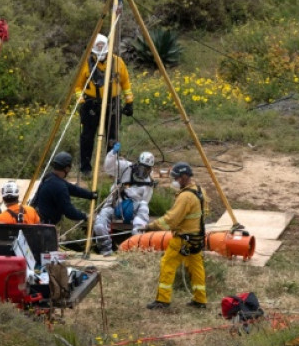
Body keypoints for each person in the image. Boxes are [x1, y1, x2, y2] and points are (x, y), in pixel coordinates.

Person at [145, 162, 208, 310]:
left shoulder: (185, 197)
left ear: (184, 177)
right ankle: (200, 300)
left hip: (183, 239)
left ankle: (163, 300)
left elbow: (171, 220)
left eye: (177, 178)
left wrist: (151, 226)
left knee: (167, 264)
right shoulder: (200, 191)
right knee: (196, 268)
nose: (175, 180)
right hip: (197, 238)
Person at [74, 34, 134, 174]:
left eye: (104, 52)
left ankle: (111, 167)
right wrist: (82, 101)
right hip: (91, 105)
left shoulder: (118, 62)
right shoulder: (86, 64)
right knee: (87, 137)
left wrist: (129, 101)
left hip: (112, 104)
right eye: (97, 53)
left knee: (112, 137)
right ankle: (85, 168)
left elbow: (125, 83)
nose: (101, 55)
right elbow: (77, 87)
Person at [94, 142, 154, 256]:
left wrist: (130, 207)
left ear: (150, 169)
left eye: (146, 169)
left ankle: (136, 247)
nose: (142, 172)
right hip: (116, 204)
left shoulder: (148, 183)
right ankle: (106, 250)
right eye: (141, 168)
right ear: (137, 164)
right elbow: (108, 167)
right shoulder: (126, 167)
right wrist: (113, 153)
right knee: (100, 224)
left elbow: (145, 200)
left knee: (143, 210)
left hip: (133, 209)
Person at [31, 151, 97, 225]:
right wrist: (86, 217)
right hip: (43, 226)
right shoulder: (59, 186)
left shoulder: (49, 177)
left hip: (35, 219)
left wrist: (91, 195)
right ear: (67, 168)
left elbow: (73, 189)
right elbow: (69, 212)